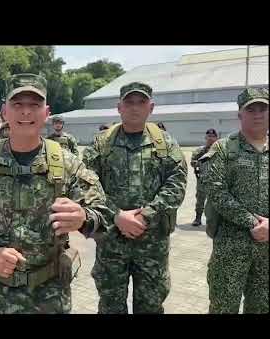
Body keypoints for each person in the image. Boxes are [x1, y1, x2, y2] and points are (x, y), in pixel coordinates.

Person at [0, 73, 110, 314]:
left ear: (46, 112)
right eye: (18, 105)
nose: (26, 112)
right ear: (4, 112)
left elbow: (103, 215)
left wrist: (83, 217)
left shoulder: (67, 164)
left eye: (34, 105)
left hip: (50, 296)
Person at [83, 81, 188, 314]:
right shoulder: (101, 144)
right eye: (129, 102)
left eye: (141, 102)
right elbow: (86, 185)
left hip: (152, 244)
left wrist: (147, 215)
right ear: (119, 107)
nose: (134, 108)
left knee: (150, 306)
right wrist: (117, 215)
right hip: (111, 242)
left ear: (151, 107)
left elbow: (177, 184)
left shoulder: (166, 144)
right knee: (110, 306)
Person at [201, 87, 268, 314]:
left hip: (267, 247)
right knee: (223, 307)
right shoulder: (223, 148)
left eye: (263, 108)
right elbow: (216, 191)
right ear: (240, 114)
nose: (257, 114)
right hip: (231, 247)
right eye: (251, 109)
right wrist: (252, 222)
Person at [190, 128, 218, 226]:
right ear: (205, 137)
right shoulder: (199, 150)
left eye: (213, 136)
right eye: (209, 136)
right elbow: (192, 163)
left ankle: (214, 220)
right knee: (200, 201)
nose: (210, 138)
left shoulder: (220, 150)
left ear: (216, 138)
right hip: (202, 180)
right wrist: (200, 162)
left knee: (216, 202)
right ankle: (198, 218)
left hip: (216, 181)